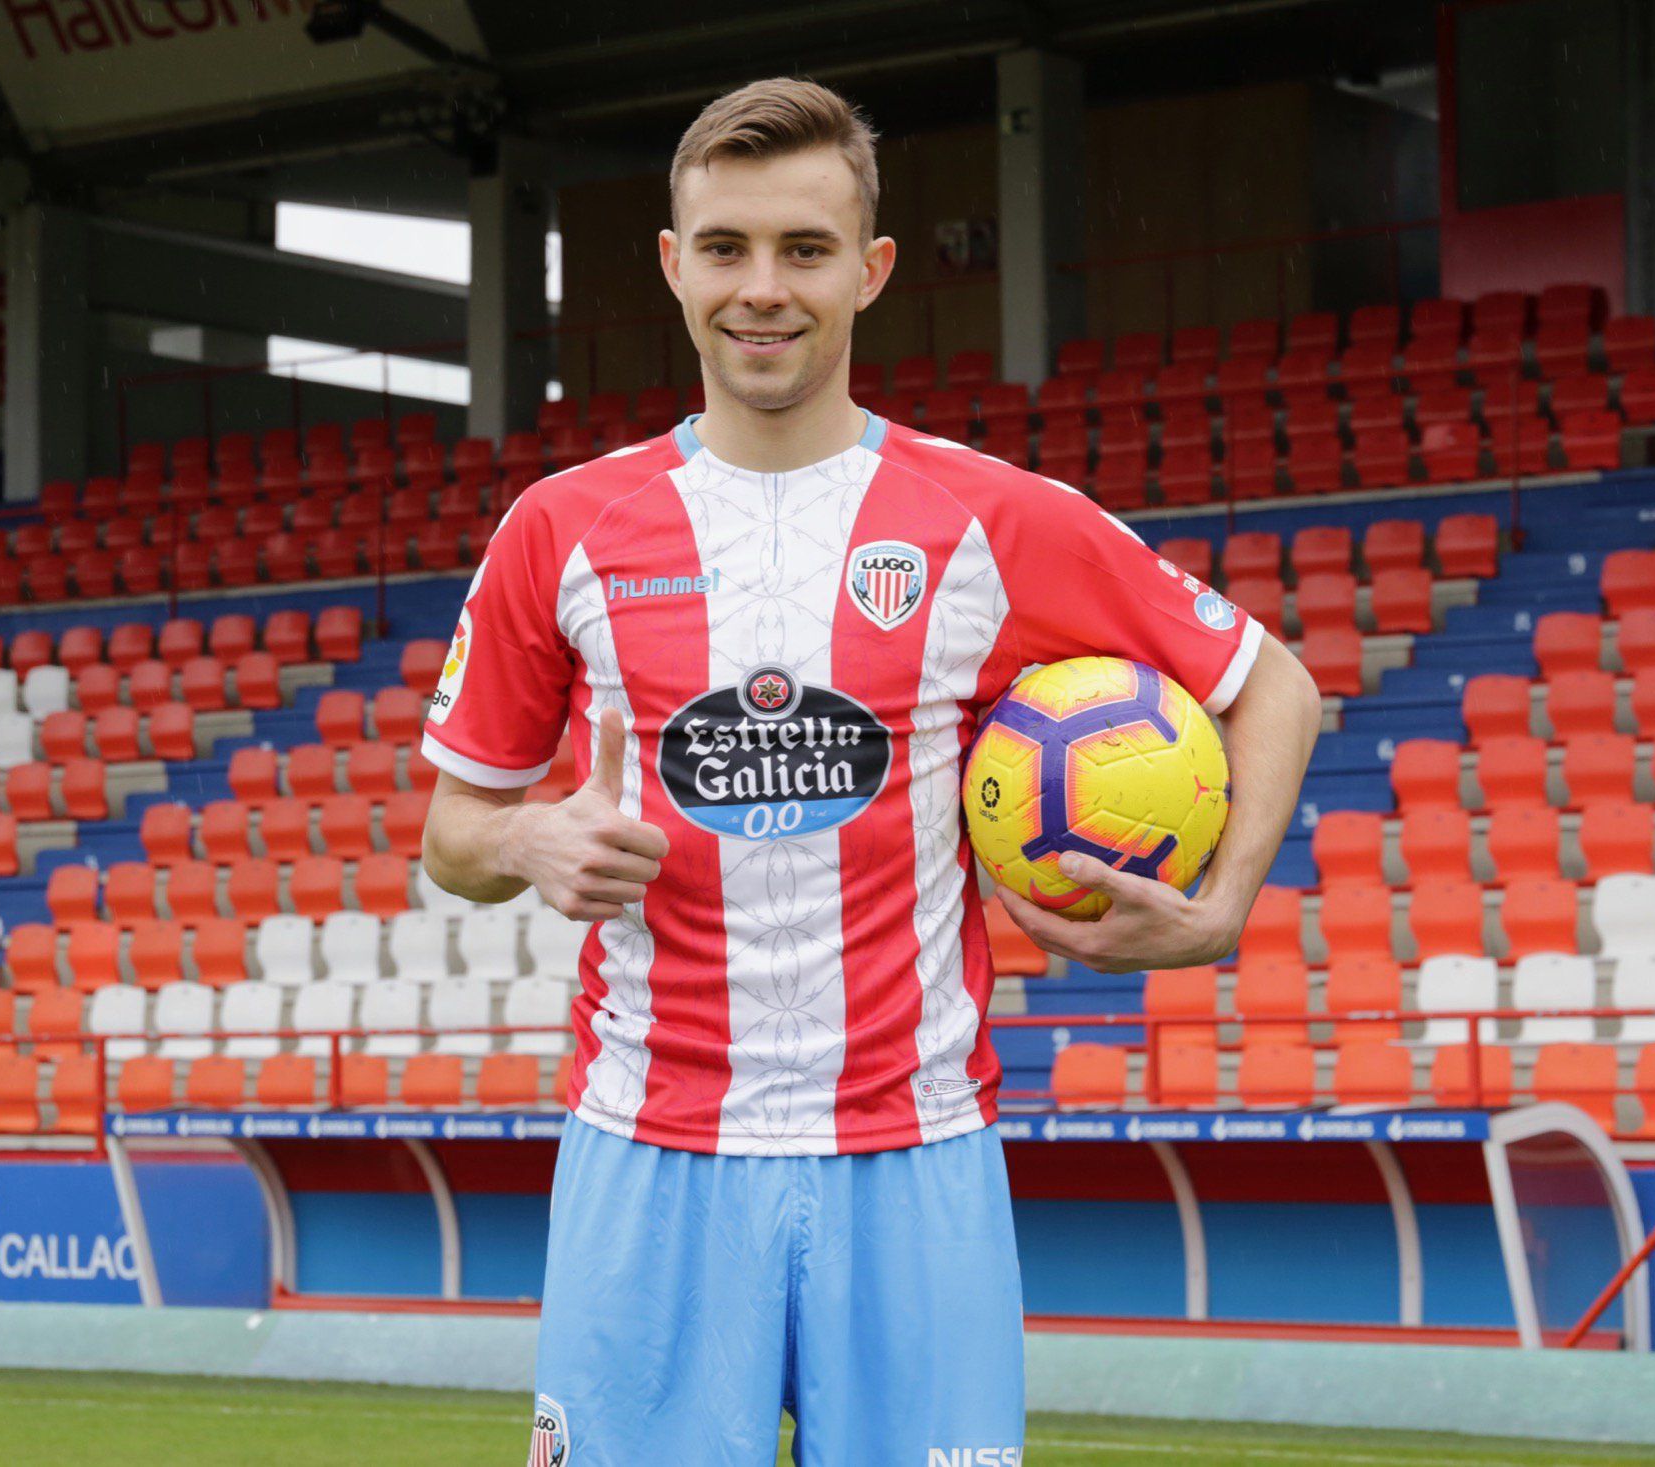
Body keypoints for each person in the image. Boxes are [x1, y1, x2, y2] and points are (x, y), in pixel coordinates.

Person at [420, 76, 1323, 1467]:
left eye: (803, 249)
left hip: (914, 1160)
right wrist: (533, 842)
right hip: (651, 1157)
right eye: (725, 248)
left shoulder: (990, 517)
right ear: (673, 266)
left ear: (872, 269)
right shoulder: (562, 529)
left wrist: (1216, 912)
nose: (761, 290)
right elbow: (453, 836)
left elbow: (1277, 690)